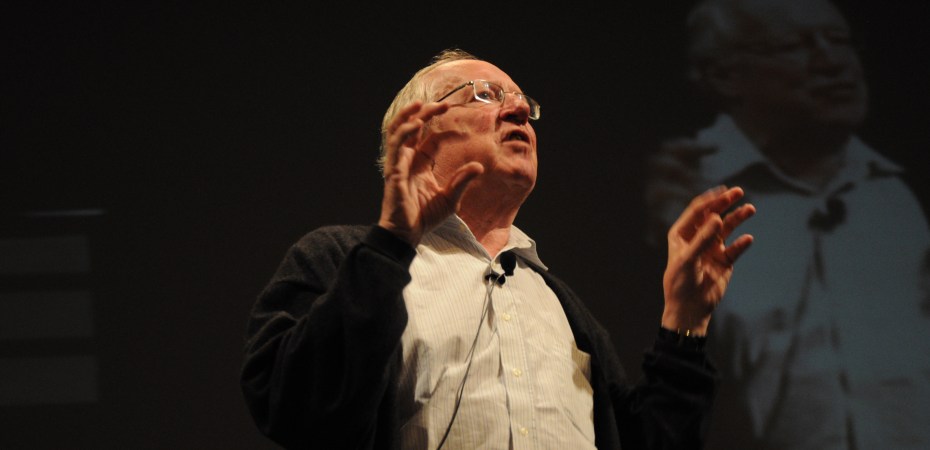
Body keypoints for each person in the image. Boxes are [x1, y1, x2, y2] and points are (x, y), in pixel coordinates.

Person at [241, 48, 755, 450]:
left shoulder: (559, 304)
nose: (518, 111)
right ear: (418, 133)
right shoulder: (338, 259)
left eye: (523, 104)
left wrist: (684, 322)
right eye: (484, 95)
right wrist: (391, 243)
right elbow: (297, 412)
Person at [645, 0, 930, 448]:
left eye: (839, 42)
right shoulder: (677, 194)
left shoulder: (899, 194)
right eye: (797, 46)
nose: (833, 62)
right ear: (724, 74)